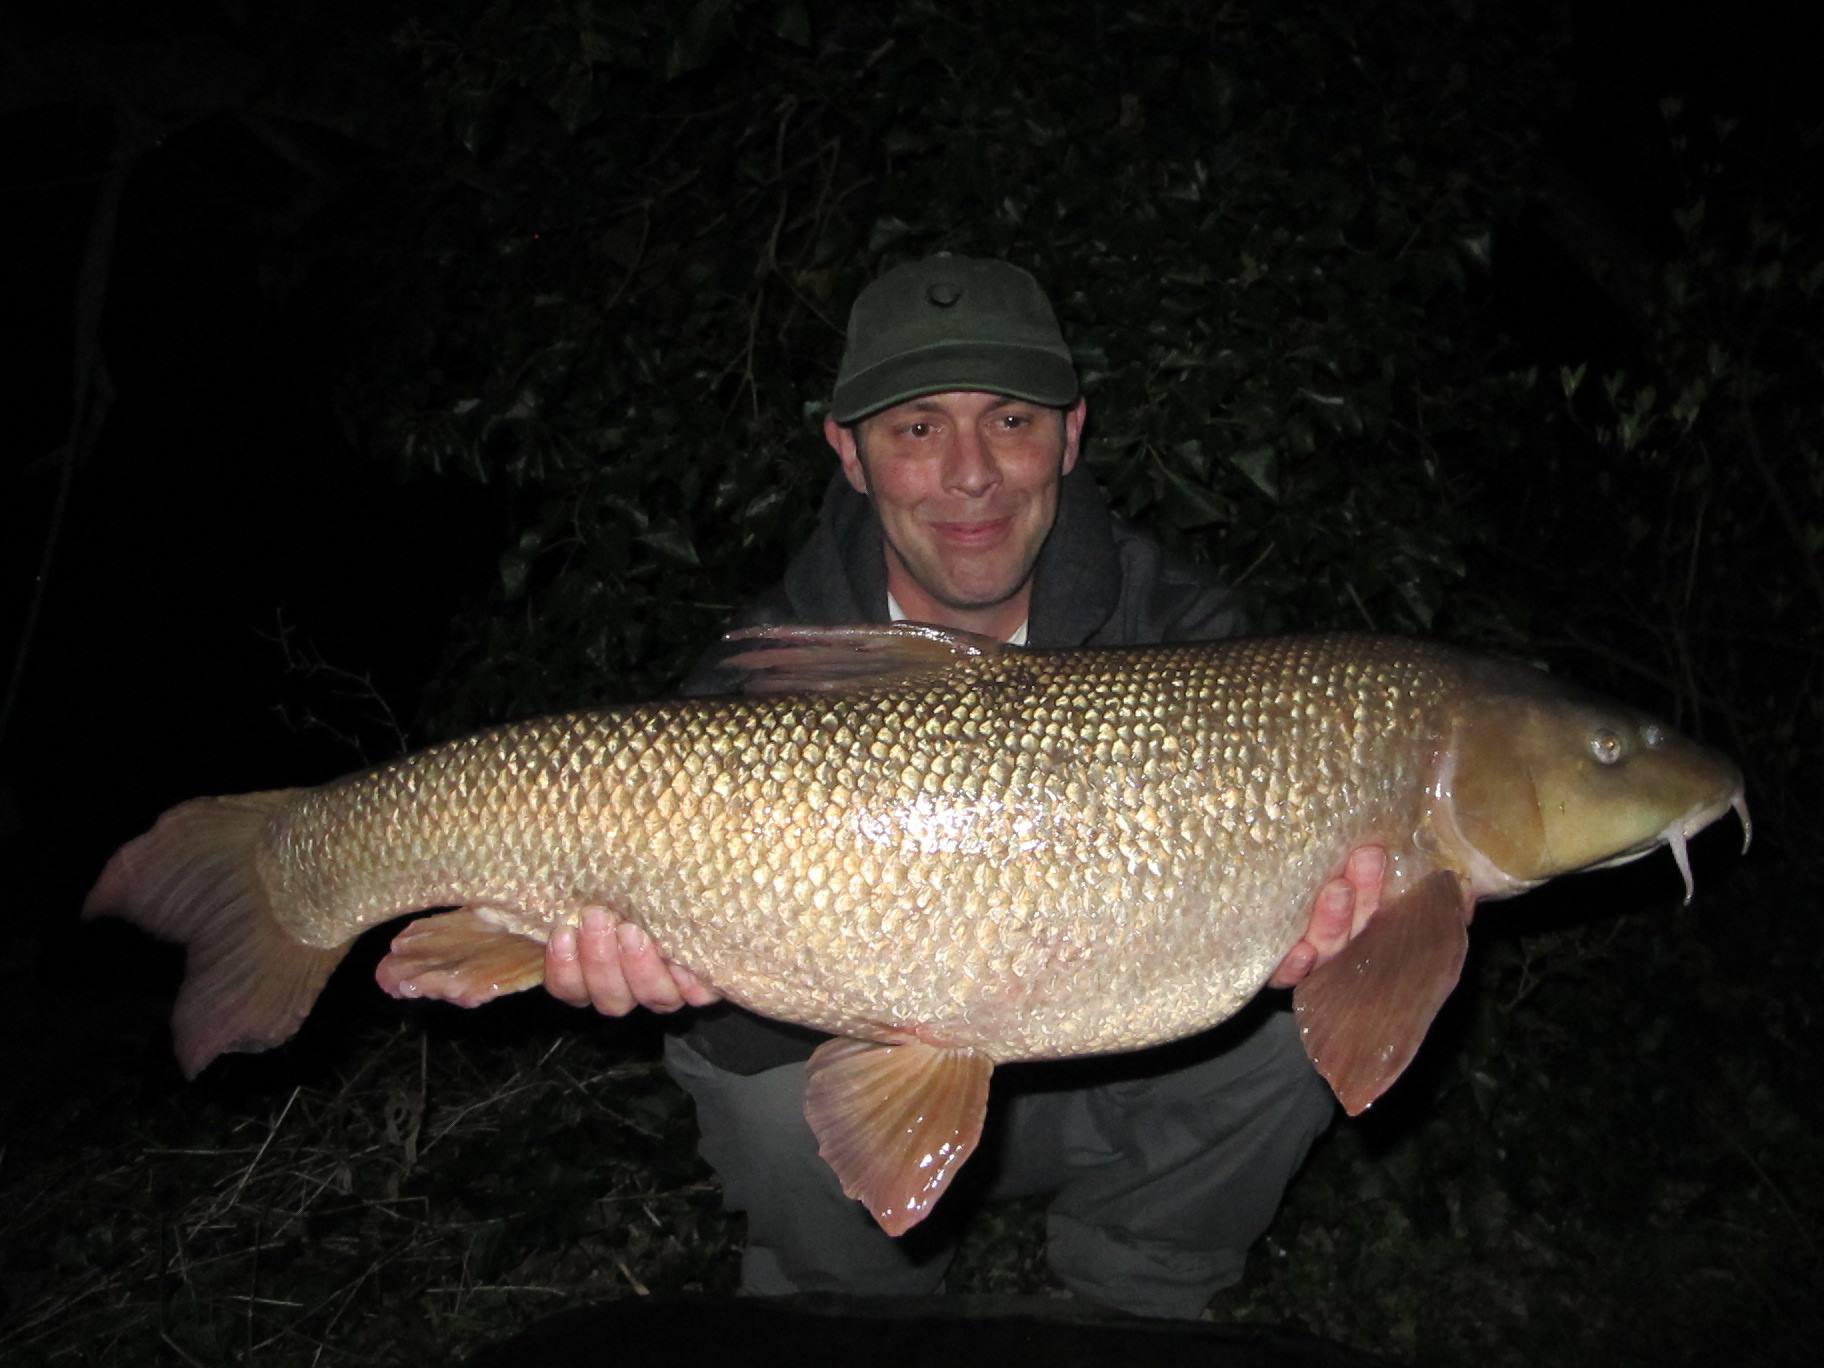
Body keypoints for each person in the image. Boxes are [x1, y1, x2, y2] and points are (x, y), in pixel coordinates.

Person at [542, 256, 1386, 1317]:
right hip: (863, 1079)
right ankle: (846, 1307)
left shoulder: (1183, 635)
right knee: (755, 1095)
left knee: (1285, 1033)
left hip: (1112, 1073)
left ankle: (1135, 1297)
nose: (972, 473)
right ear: (849, 454)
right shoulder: (764, 671)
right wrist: (679, 979)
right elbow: (731, 1041)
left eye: (1012, 421)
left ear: (1072, 436)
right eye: (918, 429)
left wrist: (1299, 941)